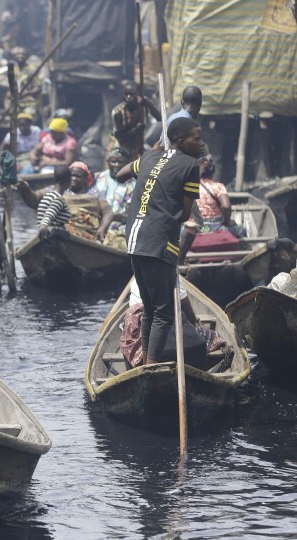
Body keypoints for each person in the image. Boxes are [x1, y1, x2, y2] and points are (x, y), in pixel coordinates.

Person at [118, 117, 204, 365]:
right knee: (163, 313)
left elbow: (120, 174)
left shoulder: (148, 157)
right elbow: (186, 214)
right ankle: (152, 366)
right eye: (196, 139)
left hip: (134, 239)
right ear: (180, 141)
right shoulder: (190, 165)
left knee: (149, 307)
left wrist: (151, 158)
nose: (200, 143)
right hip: (159, 242)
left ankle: (145, 359)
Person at [110, 80, 162, 161]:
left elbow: (159, 118)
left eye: (131, 94)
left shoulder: (142, 107)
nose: (128, 97)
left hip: (139, 148)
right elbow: (120, 136)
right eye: (126, 94)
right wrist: (135, 130)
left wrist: (148, 103)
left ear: (138, 93)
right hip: (122, 149)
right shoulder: (117, 112)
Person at [195, 154, 232, 232]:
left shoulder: (189, 186)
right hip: (216, 227)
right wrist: (226, 222)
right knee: (242, 230)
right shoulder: (218, 186)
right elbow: (226, 206)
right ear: (213, 171)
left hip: (195, 227)